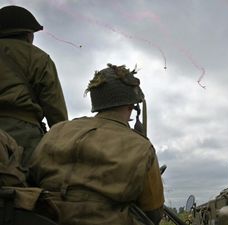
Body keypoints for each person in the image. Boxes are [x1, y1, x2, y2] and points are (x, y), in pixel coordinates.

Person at [29, 64, 165, 225]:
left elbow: (31, 178)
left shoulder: (58, 131)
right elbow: (153, 213)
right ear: (132, 105)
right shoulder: (142, 147)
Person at [0, 5, 68, 166]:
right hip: (22, 137)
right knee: (28, 187)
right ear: (28, 34)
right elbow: (55, 110)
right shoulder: (39, 58)